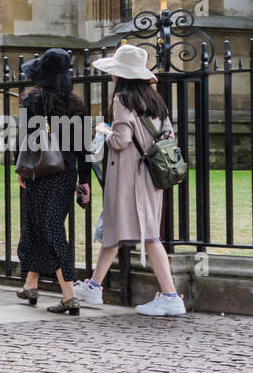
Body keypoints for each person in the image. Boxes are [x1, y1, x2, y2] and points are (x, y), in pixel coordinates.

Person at [73, 44, 186, 316]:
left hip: (128, 176)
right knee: (118, 228)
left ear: (121, 75)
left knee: (145, 234)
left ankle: (171, 296)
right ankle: (94, 285)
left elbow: (121, 140)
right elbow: (168, 134)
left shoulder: (122, 99)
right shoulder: (155, 100)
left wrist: (105, 131)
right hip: (150, 175)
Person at [14, 49, 90, 314]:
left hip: (41, 174)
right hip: (66, 175)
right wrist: (85, 179)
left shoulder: (32, 101)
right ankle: (31, 284)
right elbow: (83, 148)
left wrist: (21, 170)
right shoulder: (77, 104)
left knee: (50, 230)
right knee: (40, 227)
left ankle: (69, 295)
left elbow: (25, 139)